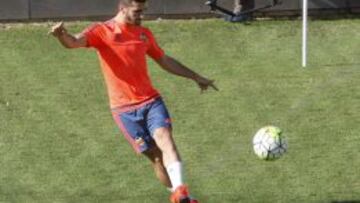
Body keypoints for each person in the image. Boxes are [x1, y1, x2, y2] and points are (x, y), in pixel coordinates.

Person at [49, 0, 218, 202]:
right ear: (123, 8)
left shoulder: (144, 34)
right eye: (138, 11)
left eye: (143, 11)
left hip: (151, 101)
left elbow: (163, 60)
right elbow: (74, 42)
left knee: (165, 138)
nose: (142, 16)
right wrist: (61, 35)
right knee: (156, 158)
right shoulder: (102, 31)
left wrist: (195, 76)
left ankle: (181, 192)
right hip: (124, 110)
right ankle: (181, 197)